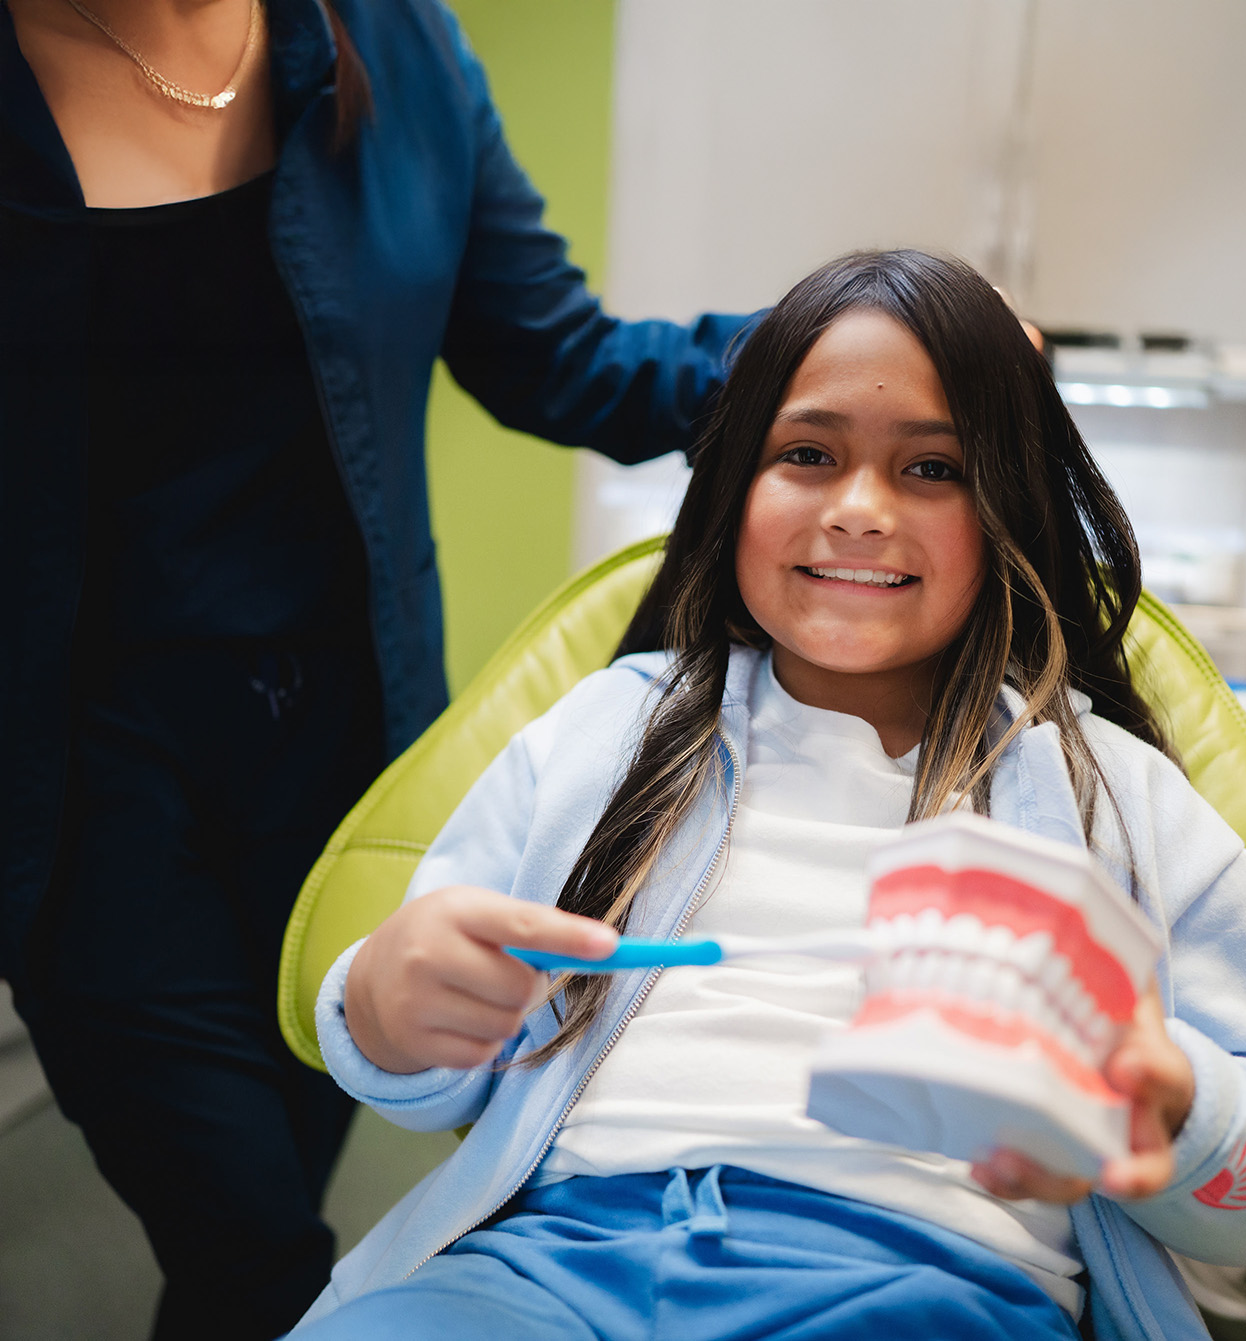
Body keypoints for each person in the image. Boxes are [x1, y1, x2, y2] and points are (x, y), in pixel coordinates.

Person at [299, 251, 1246, 1341]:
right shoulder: (605, 734)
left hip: (926, 1286)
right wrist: (386, 1004)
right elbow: (418, 1071)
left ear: (1011, 507)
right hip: (550, 1271)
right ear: (731, 487)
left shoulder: (1118, 799)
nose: (857, 509)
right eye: (806, 453)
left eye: (932, 469)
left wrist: (1171, 1100)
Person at [0, 1, 751, 1336]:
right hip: (81, 784)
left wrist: (845, 345)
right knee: (248, 1236)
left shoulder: (394, 46)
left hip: (350, 768)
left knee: (260, 1218)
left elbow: (564, 362)